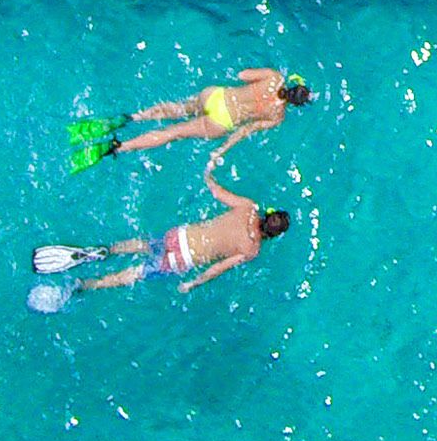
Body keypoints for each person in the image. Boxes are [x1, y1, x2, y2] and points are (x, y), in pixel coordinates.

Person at [29, 157, 290, 310]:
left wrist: (209, 172)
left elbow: (215, 191)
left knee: (144, 244)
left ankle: (106, 251)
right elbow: (218, 268)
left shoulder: (248, 208)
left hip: (180, 236)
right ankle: (82, 286)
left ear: (268, 215)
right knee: (137, 273)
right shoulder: (251, 250)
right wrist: (192, 283)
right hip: (183, 260)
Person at [73, 68, 311, 167]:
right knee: (172, 133)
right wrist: (222, 150)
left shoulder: (274, 77)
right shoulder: (277, 115)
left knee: (176, 109)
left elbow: (241, 74)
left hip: (217, 97)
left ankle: (132, 118)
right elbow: (244, 131)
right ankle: (120, 147)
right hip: (222, 122)